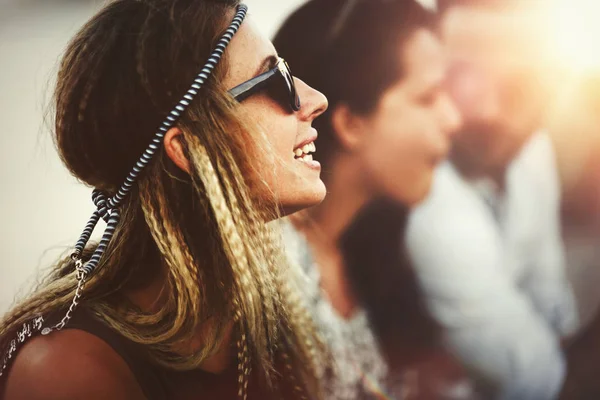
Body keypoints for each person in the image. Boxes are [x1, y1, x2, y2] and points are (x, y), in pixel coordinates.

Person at [0, 1, 331, 399]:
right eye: (275, 79)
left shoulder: (271, 317)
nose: (316, 99)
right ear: (189, 149)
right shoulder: (67, 371)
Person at [273, 1, 466, 398]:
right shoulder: (266, 269)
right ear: (350, 123)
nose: (453, 119)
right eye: (428, 97)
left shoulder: (374, 255)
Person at [406, 1, 578, 398]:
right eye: (465, 74)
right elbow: (533, 372)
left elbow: (549, 291)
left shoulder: (535, 151)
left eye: (520, 83)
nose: (488, 107)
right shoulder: (423, 193)